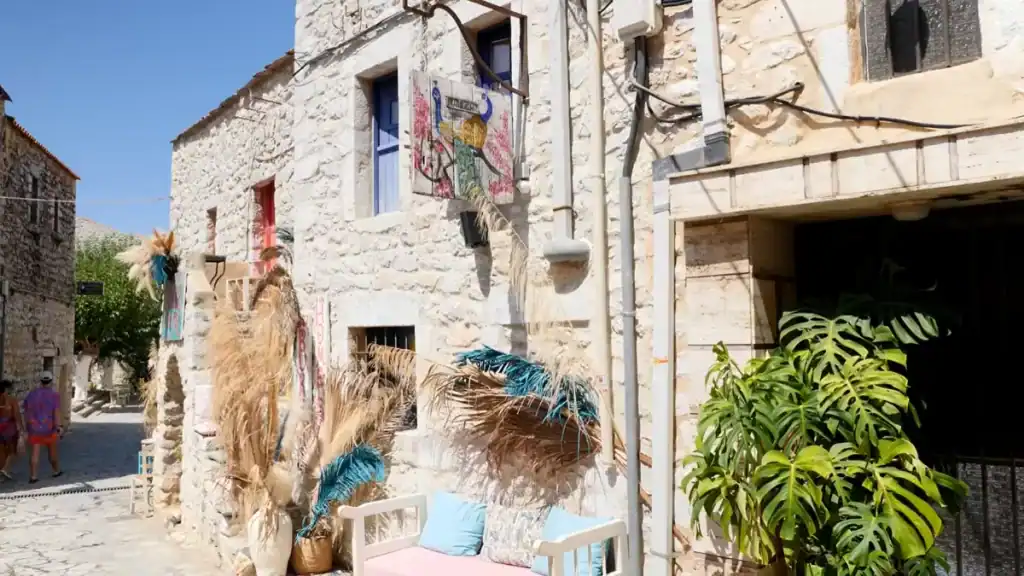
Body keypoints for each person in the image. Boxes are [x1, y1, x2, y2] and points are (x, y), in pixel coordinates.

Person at [23, 371, 63, 483]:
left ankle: (33, 476)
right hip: (49, 428)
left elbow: (26, 411)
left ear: (40, 381)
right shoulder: (54, 395)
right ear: (51, 381)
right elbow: (56, 412)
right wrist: (59, 426)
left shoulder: (31, 395)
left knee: (35, 452)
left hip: (34, 427)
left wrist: (27, 426)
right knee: (52, 451)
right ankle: (56, 471)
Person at [0, 378, 25, 481]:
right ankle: (5, 470)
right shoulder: (12, 400)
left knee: (1, 450)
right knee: (12, 450)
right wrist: (21, 429)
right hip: (9, 428)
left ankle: (2, 473)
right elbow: (16, 415)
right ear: (7, 389)